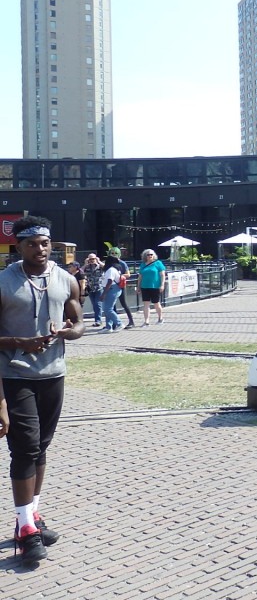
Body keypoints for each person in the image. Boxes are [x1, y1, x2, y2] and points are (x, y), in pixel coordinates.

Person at [0, 215, 85, 564]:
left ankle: (31, 515)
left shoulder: (66, 280)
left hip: (54, 375)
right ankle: (25, 529)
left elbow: (79, 322)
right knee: (25, 448)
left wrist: (70, 331)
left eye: (46, 243)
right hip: (14, 375)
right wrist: (19, 341)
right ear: (18, 246)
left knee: (41, 447)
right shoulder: (3, 282)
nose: (41, 249)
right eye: (33, 243)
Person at [107, 247, 135, 329]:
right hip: (111, 286)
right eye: (112, 254)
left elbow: (128, 274)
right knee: (112, 305)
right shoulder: (108, 263)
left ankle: (131, 321)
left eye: (115, 254)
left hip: (120, 285)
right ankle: (114, 323)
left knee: (124, 303)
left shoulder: (122, 263)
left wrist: (119, 276)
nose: (114, 255)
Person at [138, 249, 167, 326]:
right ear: (145, 256)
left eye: (151, 254)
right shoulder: (143, 264)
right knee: (146, 304)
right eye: (148, 255)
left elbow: (162, 275)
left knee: (156, 303)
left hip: (155, 286)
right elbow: (140, 276)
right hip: (145, 286)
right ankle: (146, 321)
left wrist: (162, 285)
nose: (150, 256)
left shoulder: (158, 263)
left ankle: (160, 318)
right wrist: (138, 286)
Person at [99, 254, 123, 332]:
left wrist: (104, 294)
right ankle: (108, 327)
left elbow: (110, 281)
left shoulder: (111, 270)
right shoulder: (113, 269)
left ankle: (119, 323)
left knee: (108, 309)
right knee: (107, 308)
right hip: (112, 289)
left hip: (111, 289)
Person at [82, 254, 104, 327]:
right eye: (90, 259)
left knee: (98, 304)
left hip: (99, 288)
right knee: (94, 305)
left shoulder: (99, 267)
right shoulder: (87, 267)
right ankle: (97, 319)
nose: (92, 260)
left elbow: (106, 267)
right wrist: (85, 264)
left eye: (93, 259)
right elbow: (80, 271)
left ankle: (98, 320)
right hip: (90, 288)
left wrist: (99, 261)